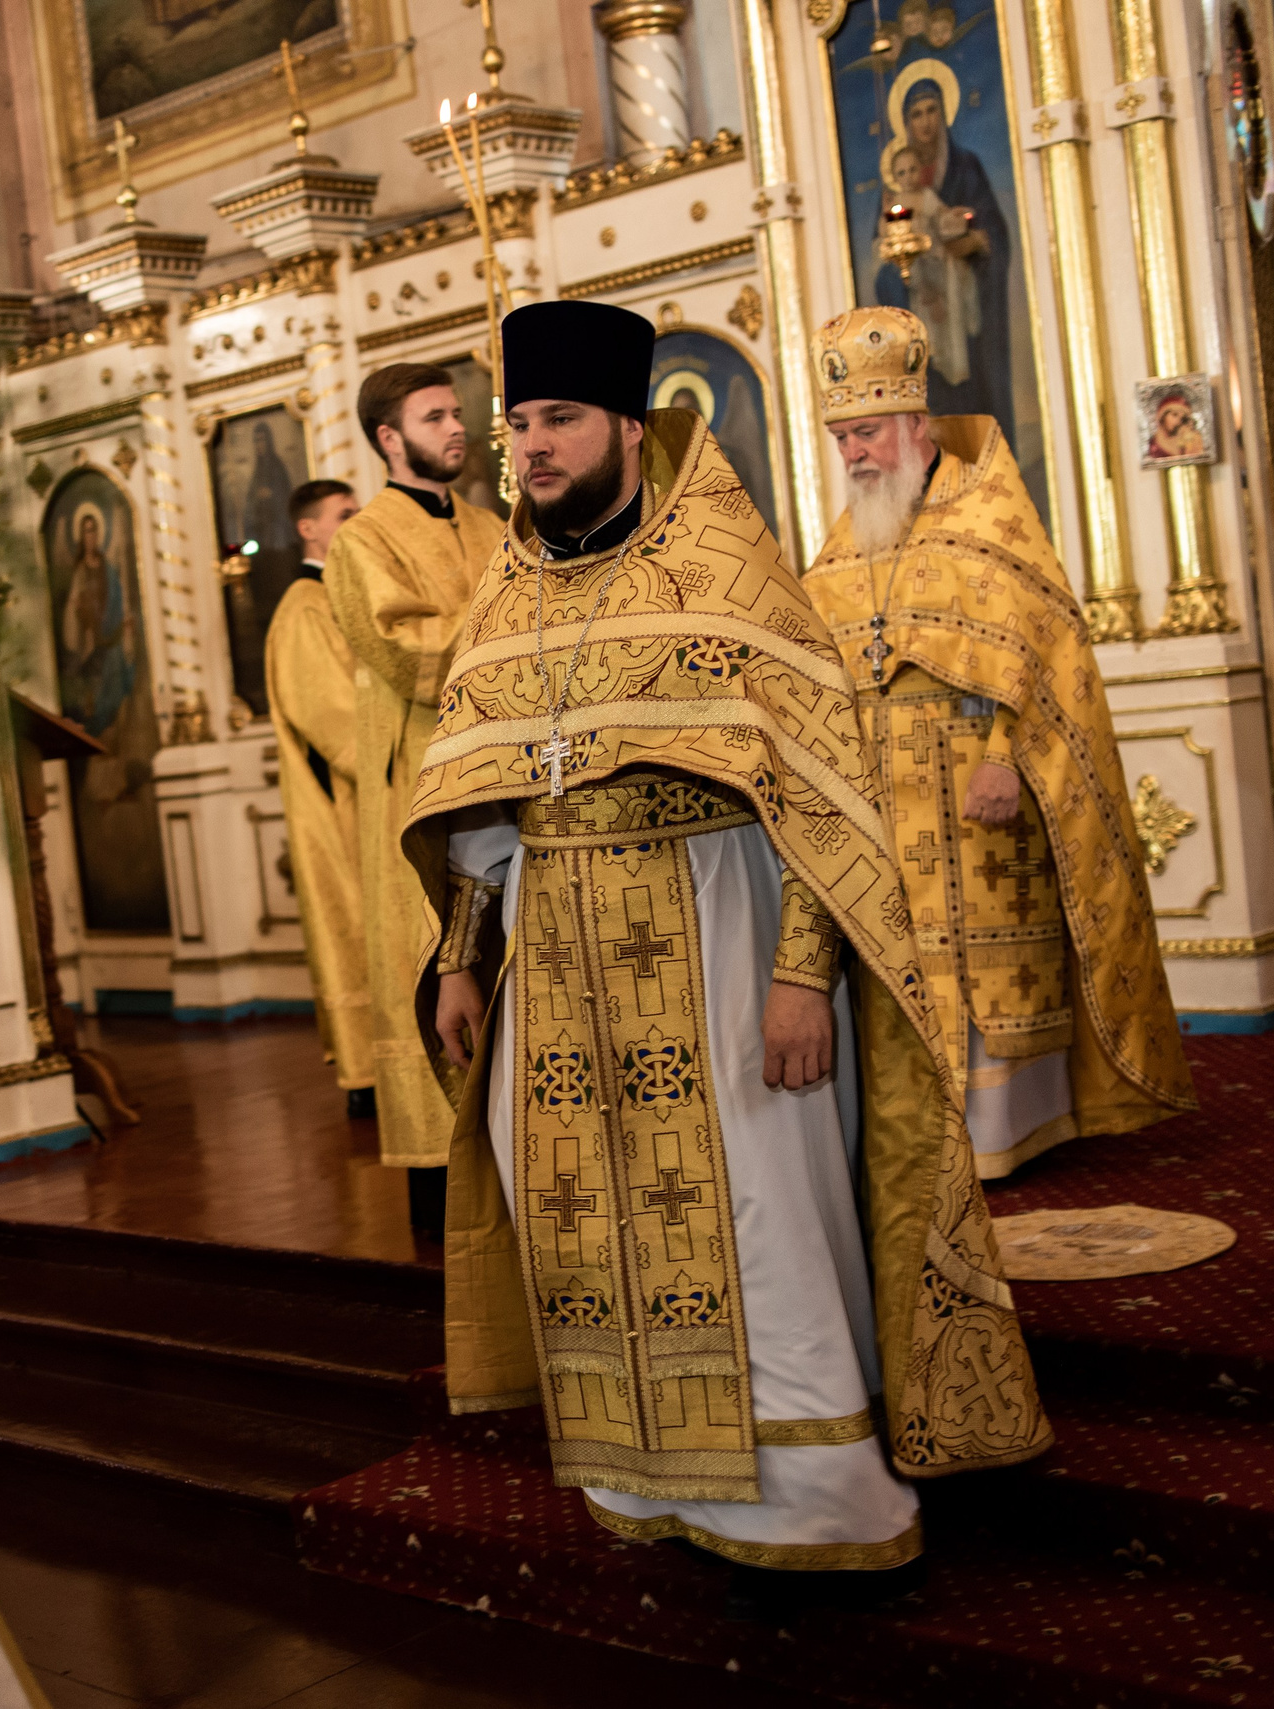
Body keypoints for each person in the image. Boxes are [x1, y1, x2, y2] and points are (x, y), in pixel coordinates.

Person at [413, 300, 1048, 1609]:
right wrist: (468, 957)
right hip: (558, 960)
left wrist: (804, 969)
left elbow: (826, 791)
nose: (531, 447)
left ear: (628, 431)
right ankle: (647, 1480)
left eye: (560, 421)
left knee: (759, 1218)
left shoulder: (729, 568)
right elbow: (476, 806)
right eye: (520, 421)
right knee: (579, 1225)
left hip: (719, 933)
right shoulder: (504, 586)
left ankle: (816, 1500)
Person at [799, 307, 1195, 1178]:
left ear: (913, 423)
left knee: (992, 971)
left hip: (979, 790)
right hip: (886, 801)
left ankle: (1014, 1132)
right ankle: (930, 1132)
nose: (853, 454)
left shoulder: (990, 515)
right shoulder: (847, 535)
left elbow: (1046, 652)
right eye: (840, 439)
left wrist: (1008, 756)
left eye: (865, 433)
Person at [325, 364, 506, 1234]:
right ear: (390, 438)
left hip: (503, 781)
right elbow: (404, 648)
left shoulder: (493, 525)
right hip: (422, 791)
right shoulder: (363, 541)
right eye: (435, 416)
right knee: (436, 968)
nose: (456, 427)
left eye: (457, 413)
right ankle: (444, 1226)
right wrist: (511, 640)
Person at [263, 479, 377, 1120]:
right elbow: (333, 716)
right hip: (345, 806)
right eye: (345, 515)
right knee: (357, 925)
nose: (356, 523)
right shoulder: (306, 605)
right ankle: (368, 1068)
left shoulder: (340, 592)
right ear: (309, 529)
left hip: (364, 798)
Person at [873, 77, 1012, 441]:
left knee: (967, 378)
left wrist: (973, 241)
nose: (925, 121)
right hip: (920, 302)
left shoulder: (965, 168)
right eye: (916, 114)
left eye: (932, 110)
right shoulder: (894, 197)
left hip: (961, 294)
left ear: (944, 113)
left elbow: (989, 232)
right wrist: (908, 283)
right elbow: (885, 252)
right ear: (905, 123)